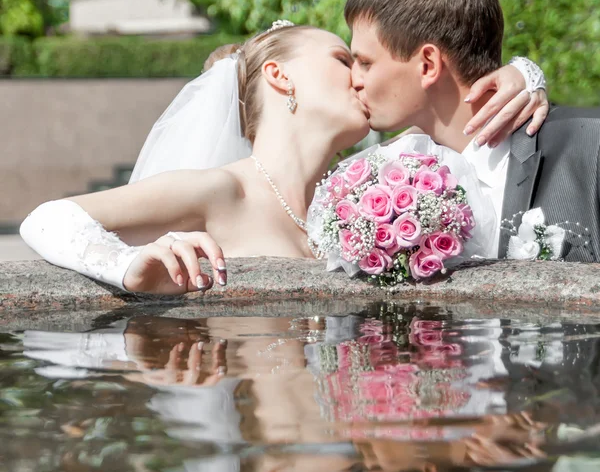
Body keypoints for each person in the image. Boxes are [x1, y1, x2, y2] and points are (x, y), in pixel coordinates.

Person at [20, 18, 547, 295]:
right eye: (345, 59)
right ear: (280, 76)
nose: (362, 76)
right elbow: (48, 218)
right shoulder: (222, 190)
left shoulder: (367, 192)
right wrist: (128, 264)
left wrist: (526, 74)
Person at [343, 0, 600, 262]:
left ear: (428, 65)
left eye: (365, 63)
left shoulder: (588, 148)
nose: (354, 79)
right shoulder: (388, 188)